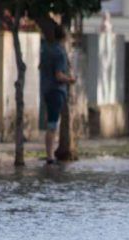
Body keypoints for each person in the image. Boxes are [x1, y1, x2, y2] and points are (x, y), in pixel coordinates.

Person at [40, 24, 76, 165]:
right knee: (53, 124)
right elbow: (59, 75)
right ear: (65, 36)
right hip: (56, 90)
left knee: (51, 122)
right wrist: (70, 80)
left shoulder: (47, 49)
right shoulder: (60, 52)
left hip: (47, 89)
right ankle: (50, 155)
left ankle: (49, 154)